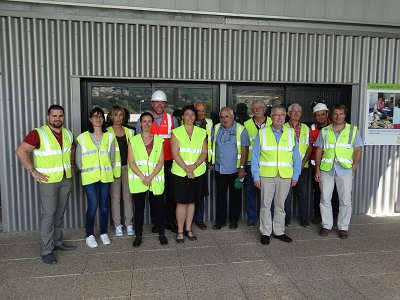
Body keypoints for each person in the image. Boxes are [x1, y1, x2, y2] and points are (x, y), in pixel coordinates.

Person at [15, 105, 76, 264]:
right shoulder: (39, 133)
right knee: (49, 215)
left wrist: (71, 163)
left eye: (60, 116)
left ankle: (57, 242)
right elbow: (21, 151)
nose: (58, 119)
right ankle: (46, 251)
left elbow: (73, 148)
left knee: (59, 214)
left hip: (65, 179)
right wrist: (33, 171)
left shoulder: (68, 133)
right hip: (48, 181)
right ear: (48, 117)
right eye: (54, 116)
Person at [251, 105, 301, 245]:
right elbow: (255, 157)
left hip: (285, 175)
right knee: (265, 204)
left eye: (282, 115)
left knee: (280, 205)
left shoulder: (291, 133)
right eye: (276, 115)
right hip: (266, 175)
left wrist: (296, 175)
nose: (279, 118)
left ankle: (279, 231)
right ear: (271, 117)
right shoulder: (262, 133)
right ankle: (266, 232)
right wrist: (256, 176)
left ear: (285, 117)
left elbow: (296, 157)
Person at [315, 104, 363, 239]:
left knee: (345, 200)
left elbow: (358, 149)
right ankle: (326, 225)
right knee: (325, 198)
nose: (338, 116)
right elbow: (318, 150)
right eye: (335, 114)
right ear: (332, 115)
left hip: (345, 169)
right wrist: (317, 169)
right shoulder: (325, 131)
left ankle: (343, 227)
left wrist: (354, 167)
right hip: (327, 169)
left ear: (345, 115)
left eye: (341, 114)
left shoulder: (353, 130)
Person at [135, 90, 179, 233]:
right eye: (157, 102)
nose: (160, 105)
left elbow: (178, 141)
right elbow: (138, 143)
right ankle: (156, 222)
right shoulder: (144, 120)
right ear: (152, 104)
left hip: (170, 162)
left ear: (165, 104)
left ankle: (169, 220)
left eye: (162, 102)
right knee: (154, 194)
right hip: (151, 164)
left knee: (170, 193)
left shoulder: (173, 120)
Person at [76, 107, 115, 248]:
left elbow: (112, 158)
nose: (98, 119)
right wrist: (88, 170)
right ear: (90, 119)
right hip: (89, 177)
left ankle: (103, 232)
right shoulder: (82, 137)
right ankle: (89, 234)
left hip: (105, 176)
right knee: (92, 205)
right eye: (95, 116)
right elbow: (79, 161)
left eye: (100, 116)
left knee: (104, 205)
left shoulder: (110, 136)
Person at [128, 112, 168, 247]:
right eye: (144, 121)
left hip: (154, 180)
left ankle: (161, 233)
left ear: (153, 123)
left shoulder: (159, 140)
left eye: (149, 121)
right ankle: (138, 235)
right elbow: (131, 162)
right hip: (139, 180)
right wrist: (143, 177)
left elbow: (161, 161)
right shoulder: (133, 140)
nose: (146, 124)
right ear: (140, 123)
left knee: (158, 208)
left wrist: (150, 177)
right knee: (139, 209)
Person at [171, 105, 208, 242]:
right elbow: (175, 154)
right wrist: (187, 169)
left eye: (192, 114)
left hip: (197, 172)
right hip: (180, 173)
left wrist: (194, 166)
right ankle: (180, 231)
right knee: (181, 203)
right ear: (182, 116)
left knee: (192, 202)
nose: (190, 117)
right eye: (187, 114)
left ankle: (188, 228)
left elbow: (204, 152)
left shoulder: (201, 132)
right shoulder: (176, 132)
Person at [211, 107, 250, 230]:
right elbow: (212, 146)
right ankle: (220, 220)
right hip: (219, 169)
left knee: (235, 196)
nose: (224, 119)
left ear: (233, 117)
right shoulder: (216, 128)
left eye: (227, 116)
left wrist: (242, 168)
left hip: (235, 170)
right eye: (222, 117)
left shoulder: (241, 129)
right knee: (220, 196)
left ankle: (234, 220)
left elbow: (245, 150)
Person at [283, 103, 313, 227]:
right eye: (293, 111)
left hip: (302, 167)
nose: (296, 114)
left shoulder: (306, 128)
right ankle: (286, 218)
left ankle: (304, 218)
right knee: (286, 195)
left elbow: (310, 147)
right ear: (289, 114)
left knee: (302, 194)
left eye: (298, 112)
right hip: (286, 167)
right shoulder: (283, 127)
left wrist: (303, 162)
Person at [107, 105, 135, 237]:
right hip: (113, 170)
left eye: (121, 115)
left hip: (128, 169)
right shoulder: (106, 132)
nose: (118, 118)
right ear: (111, 116)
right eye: (116, 115)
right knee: (115, 198)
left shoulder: (130, 132)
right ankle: (118, 225)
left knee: (128, 197)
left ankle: (129, 224)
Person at [309, 102, 339, 225]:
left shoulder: (334, 128)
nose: (320, 117)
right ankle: (318, 215)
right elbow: (310, 147)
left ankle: (335, 216)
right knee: (318, 193)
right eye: (317, 115)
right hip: (317, 167)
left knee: (334, 193)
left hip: (332, 167)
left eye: (322, 114)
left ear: (327, 114)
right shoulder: (312, 129)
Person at [243, 100, 272, 227]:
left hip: (268, 164)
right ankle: (251, 217)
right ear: (251, 111)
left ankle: (268, 217)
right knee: (250, 192)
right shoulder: (246, 124)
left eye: (260, 107)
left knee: (268, 193)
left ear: (264, 109)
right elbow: (243, 147)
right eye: (254, 108)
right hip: (250, 164)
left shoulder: (273, 122)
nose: (257, 110)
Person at [193, 101, 213, 230]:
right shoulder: (187, 121)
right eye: (198, 111)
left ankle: (199, 219)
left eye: (203, 111)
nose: (200, 113)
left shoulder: (210, 123)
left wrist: (211, 159)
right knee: (188, 193)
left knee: (200, 193)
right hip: (188, 163)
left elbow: (212, 142)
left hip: (203, 163)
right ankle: (187, 219)